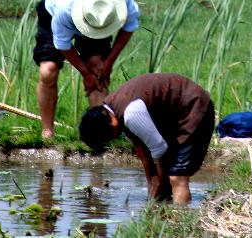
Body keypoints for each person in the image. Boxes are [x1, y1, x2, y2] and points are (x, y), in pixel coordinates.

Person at [78, 73, 215, 205]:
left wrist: (160, 182)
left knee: (177, 175)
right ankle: (165, 209)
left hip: (194, 107)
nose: (114, 138)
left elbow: (160, 149)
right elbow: (143, 152)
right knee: (166, 178)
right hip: (175, 114)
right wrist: (152, 183)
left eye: (109, 137)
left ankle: (181, 222)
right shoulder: (111, 109)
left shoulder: (131, 114)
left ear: (110, 125)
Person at [34, 0, 140, 139]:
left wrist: (109, 63)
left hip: (97, 17)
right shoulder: (63, 9)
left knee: (97, 67)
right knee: (48, 70)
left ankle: (101, 133)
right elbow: (62, 44)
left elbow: (129, 27)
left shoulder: (123, 0)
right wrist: (85, 73)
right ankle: (47, 131)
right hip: (53, 11)